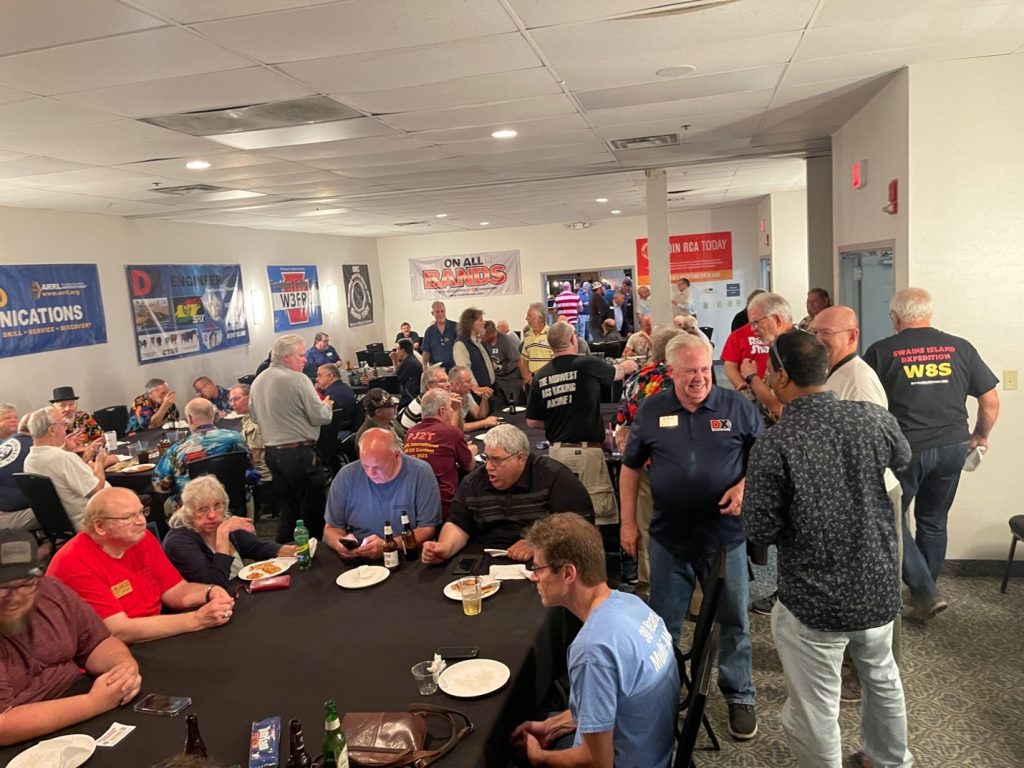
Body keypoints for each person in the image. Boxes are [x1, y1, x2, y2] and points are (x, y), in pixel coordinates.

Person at [743, 329, 913, 768]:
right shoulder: (873, 420)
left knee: (815, 706)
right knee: (883, 678)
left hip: (814, 600)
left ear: (781, 376)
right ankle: (890, 760)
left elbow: (760, 527)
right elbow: (904, 460)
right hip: (876, 584)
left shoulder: (776, 443)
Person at [620, 333, 763, 741]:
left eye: (705, 370)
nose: (700, 379)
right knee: (664, 625)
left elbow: (763, 457)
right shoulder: (652, 409)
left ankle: (739, 693)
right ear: (671, 373)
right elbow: (630, 469)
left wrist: (743, 487)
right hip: (669, 539)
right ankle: (662, 695)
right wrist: (629, 524)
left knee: (733, 618)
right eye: (689, 373)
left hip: (725, 539)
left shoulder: (736, 407)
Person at [864, 287, 1000, 622]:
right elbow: (991, 400)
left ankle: (925, 592)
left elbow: (865, 405)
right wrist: (980, 435)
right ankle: (927, 590)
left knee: (893, 519)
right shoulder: (960, 347)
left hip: (906, 449)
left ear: (895, 317)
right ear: (930, 313)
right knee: (934, 521)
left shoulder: (883, 351)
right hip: (954, 445)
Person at [510, 514, 679, 768]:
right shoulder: (630, 604)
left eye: (537, 568)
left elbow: (597, 761)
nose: (534, 577)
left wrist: (540, 757)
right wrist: (553, 725)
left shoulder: (592, 650)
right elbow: (617, 702)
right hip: (655, 750)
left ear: (568, 573)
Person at [810, 305, 905, 701]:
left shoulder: (860, 381)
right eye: (813, 333)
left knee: (878, 588)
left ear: (852, 336)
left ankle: (877, 678)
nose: (817, 341)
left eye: (825, 334)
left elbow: (879, 448)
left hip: (871, 497)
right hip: (848, 496)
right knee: (852, 586)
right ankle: (858, 668)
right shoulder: (834, 373)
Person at [0, 530, 142, 748]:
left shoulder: (50, 591)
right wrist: (93, 703)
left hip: (76, 707)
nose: (16, 598)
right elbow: (3, 725)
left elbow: (97, 642)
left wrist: (122, 670)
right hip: (21, 741)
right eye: (3, 588)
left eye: (25, 584)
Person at [47, 487, 236, 644]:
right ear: (100, 527)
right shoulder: (74, 561)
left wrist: (209, 591)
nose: (141, 521)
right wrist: (197, 620)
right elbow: (120, 631)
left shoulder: (141, 539)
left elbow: (175, 589)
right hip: (115, 650)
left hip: (153, 633)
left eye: (141, 512)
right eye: (129, 517)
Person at [421, 425, 594, 564]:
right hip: (488, 560)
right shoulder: (473, 483)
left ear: (520, 458)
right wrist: (444, 547)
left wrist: (540, 543)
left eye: (497, 460)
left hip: (544, 561)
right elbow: (459, 524)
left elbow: (580, 526)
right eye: (487, 458)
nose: (488, 466)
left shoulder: (554, 477)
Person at [527, 321, 637, 528]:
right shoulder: (586, 363)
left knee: (564, 520)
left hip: (557, 454)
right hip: (586, 455)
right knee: (594, 519)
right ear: (572, 340)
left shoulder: (540, 375)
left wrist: (560, 423)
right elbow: (617, 373)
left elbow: (532, 421)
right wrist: (629, 365)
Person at [614, 326, 684, 597]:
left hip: (645, 468)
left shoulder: (637, 379)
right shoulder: (686, 378)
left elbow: (621, 422)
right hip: (684, 469)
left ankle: (651, 587)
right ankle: (694, 595)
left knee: (646, 530)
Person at [249, 334, 333, 543]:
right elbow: (320, 416)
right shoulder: (298, 379)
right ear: (286, 357)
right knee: (312, 509)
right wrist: (327, 407)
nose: (305, 360)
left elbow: (254, 417)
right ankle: (317, 557)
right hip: (299, 453)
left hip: (273, 454)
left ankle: (283, 552)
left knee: (289, 508)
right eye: (301, 355)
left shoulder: (258, 381)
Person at [323, 429, 440, 559]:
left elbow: (427, 529)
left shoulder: (420, 473)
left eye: (378, 467)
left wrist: (390, 545)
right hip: (360, 558)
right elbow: (331, 529)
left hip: (405, 555)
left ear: (397, 456)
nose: (370, 473)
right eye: (365, 465)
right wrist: (340, 543)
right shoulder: (347, 476)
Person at [163, 475, 295, 588]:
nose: (212, 515)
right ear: (189, 512)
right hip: (212, 608)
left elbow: (256, 547)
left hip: (241, 592)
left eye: (217, 506)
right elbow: (215, 584)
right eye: (203, 509)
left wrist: (289, 551)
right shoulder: (178, 542)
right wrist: (222, 536)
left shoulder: (222, 523)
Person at [23, 406, 107, 531]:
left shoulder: (30, 460)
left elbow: (64, 479)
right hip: (92, 519)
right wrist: (100, 461)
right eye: (63, 424)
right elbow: (98, 491)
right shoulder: (63, 458)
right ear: (52, 430)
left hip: (62, 522)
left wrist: (69, 452)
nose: (66, 428)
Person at [152, 397, 249, 502]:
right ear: (214, 415)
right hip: (236, 502)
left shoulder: (177, 450)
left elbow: (159, 485)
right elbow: (250, 466)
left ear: (190, 418)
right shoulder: (236, 438)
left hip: (195, 510)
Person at [403, 389, 476, 521]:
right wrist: (472, 451)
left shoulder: (410, 433)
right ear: (442, 411)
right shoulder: (451, 432)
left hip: (416, 504)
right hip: (445, 504)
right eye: (450, 409)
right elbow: (469, 466)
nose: (451, 412)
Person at [739, 292, 796, 424]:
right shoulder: (779, 346)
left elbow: (781, 409)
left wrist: (752, 377)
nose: (753, 329)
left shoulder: (795, 350)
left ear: (776, 319)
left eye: (756, 323)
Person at [227, 384, 275, 521]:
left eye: (237, 399)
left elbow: (254, 458)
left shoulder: (255, 422)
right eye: (230, 400)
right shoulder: (248, 417)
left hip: (263, 476)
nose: (232, 404)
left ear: (250, 398)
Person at [314, 363, 359, 472]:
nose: (316, 379)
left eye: (320, 376)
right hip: (349, 430)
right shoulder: (344, 388)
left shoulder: (332, 395)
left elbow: (326, 420)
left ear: (330, 376)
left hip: (338, 434)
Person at [0, 412, 38, 532]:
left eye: (15, 417)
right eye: (7, 417)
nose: (13, 420)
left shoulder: (9, 443)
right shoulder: (34, 449)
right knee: (60, 507)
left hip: (7, 511)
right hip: (6, 517)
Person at [49, 386, 108, 462]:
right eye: (62, 406)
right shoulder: (51, 425)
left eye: (71, 404)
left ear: (76, 405)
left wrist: (92, 446)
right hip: (65, 460)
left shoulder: (83, 417)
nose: (67, 409)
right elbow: (53, 451)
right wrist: (84, 448)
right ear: (55, 408)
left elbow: (102, 437)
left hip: (90, 456)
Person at [398, 365, 460, 432]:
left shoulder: (435, 401)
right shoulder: (423, 409)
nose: (448, 385)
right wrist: (455, 409)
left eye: (448, 381)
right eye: (442, 381)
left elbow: (458, 430)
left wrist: (456, 407)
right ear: (429, 386)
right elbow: (449, 436)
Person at [482, 319, 523, 408]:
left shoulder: (506, 340)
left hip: (511, 377)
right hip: (496, 378)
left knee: (513, 405)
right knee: (498, 405)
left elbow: (518, 360)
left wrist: (524, 378)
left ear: (491, 333)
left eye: (484, 335)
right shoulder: (484, 342)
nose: (482, 337)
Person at [452, 307, 495, 390]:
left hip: (488, 389)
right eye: (480, 320)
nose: (484, 323)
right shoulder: (461, 344)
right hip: (477, 392)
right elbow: (465, 369)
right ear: (471, 323)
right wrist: (476, 389)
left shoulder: (478, 341)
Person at [449, 365, 497, 432]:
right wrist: (484, 423)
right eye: (468, 381)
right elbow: (459, 427)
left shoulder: (466, 393)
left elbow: (479, 415)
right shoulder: (448, 398)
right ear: (457, 384)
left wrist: (484, 399)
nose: (471, 384)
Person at [519, 303, 554, 389]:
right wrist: (527, 377)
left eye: (529, 315)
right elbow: (524, 359)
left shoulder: (552, 334)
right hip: (531, 383)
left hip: (548, 382)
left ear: (540, 318)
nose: (526, 318)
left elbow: (555, 361)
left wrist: (536, 376)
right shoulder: (527, 336)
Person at [421, 301, 458, 370]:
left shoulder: (455, 327)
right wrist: (424, 365)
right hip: (437, 369)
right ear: (433, 313)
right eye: (437, 312)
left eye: (442, 311)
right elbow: (426, 351)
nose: (440, 314)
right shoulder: (429, 332)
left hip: (454, 368)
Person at [392, 338, 423, 409]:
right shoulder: (411, 359)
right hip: (414, 393)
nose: (396, 352)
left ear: (402, 350)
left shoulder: (408, 363)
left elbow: (394, 379)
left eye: (397, 349)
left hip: (409, 397)